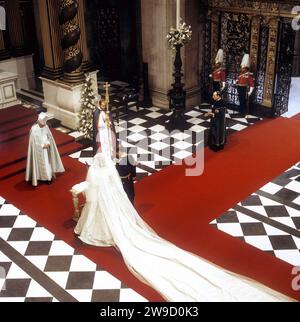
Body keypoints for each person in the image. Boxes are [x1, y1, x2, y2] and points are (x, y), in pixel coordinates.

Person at [74, 153, 293, 302]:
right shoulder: (109, 170)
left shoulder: (96, 172)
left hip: (106, 202)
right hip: (115, 199)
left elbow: (95, 189)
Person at [25, 112, 65, 187]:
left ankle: (48, 177)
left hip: (46, 149)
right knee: (40, 164)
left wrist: (48, 143)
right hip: (38, 150)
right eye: (42, 123)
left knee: (47, 163)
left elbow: (48, 136)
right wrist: (42, 145)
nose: (44, 125)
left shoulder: (45, 126)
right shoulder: (34, 129)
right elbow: (34, 142)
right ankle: (41, 177)